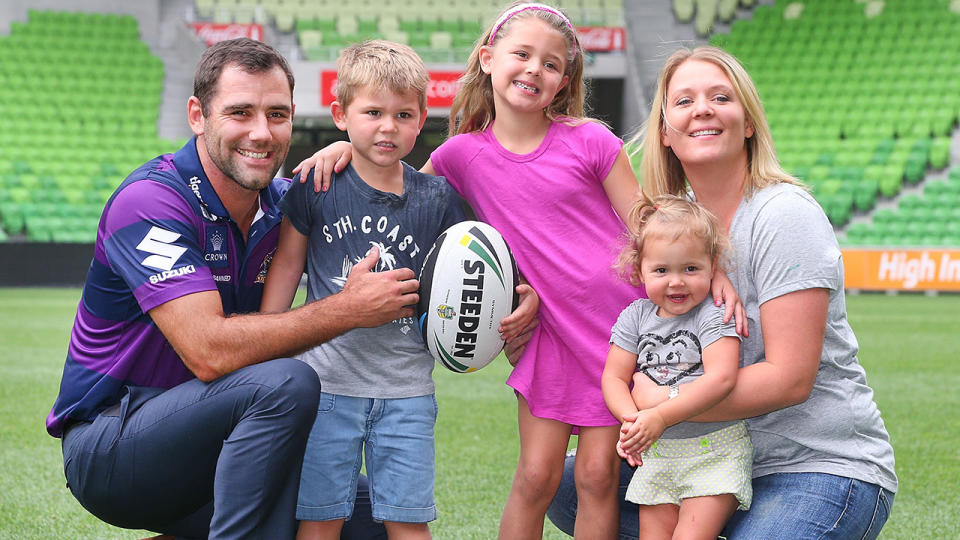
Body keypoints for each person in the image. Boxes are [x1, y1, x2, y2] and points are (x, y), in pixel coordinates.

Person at [295, 4, 746, 539]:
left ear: (564, 81)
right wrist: (346, 143)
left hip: (616, 333)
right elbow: (397, 188)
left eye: (552, 64)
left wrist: (707, 269)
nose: (535, 69)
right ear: (488, 58)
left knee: (599, 476)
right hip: (546, 335)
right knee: (537, 475)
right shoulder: (461, 155)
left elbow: (650, 226)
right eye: (522, 54)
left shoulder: (592, 141)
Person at [45, 38, 421, 540]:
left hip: (222, 440)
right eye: (240, 112)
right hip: (115, 447)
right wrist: (346, 310)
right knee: (286, 383)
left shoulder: (289, 206)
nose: (262, 133)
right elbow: (209, 352)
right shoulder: (150, 202)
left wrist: (351, 150)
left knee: (374, 519)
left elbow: (406, 200)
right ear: (198, 115)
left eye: (278, 115)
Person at [547, 45, 897, 539]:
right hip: (700, 455)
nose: (703, 109)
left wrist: (661, 402)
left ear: (749, 122)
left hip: (812, 464)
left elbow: (789, 379)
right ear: (665, 132)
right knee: (573, 483)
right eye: (684, 101)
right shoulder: (671, 229)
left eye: (720, 97)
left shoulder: (782, 214)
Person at [260, 40, 469, 540]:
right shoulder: (317, 186)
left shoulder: (438, 198)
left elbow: (465, 275)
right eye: (372, 112)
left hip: (408, 390)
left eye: (403, 114)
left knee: (408, 519)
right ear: (340, 113)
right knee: (320, 517)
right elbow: (288, 267)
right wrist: (268, 343)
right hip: (326, 386)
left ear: (422, 120)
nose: (387, 127)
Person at [602, 195, 751, 539]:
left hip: (714, 452)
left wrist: (659, 415)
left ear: (712, 266)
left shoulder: (714, 315)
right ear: (639, 270)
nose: (676, 282)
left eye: (690, 268)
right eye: (661, 270)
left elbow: (723, 378)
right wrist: (632, 422)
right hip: (657, 453)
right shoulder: (635, 317)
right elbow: (613, 376)